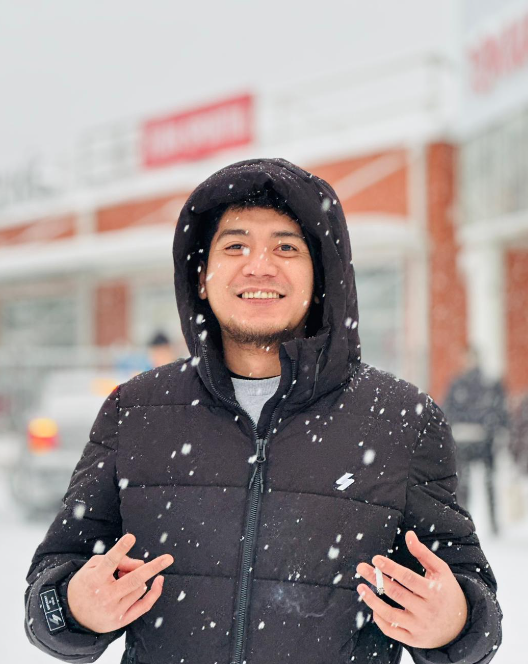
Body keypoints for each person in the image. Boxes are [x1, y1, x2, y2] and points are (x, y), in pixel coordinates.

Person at [24, 158, 502, 664]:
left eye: (286, 247)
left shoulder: (403, 421)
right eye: (235, 246)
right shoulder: (135, 411)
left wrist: (454, 622)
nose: (259, 266)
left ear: (322, 277)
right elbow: (49, 589)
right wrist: (73, 607)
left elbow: (473, 602)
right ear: (201, 277)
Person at [442, 345, 509, 535]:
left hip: (484, 441)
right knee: (463, 484)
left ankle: (493, 523)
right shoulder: (457, 384)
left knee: (489, 482)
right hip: (463, 441)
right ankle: (463, 522)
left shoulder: (490, 384)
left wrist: (490, 429)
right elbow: (448, 410)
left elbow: (499, 412)